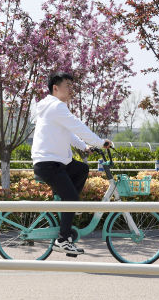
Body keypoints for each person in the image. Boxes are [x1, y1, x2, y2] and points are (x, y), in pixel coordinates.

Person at [31, 71, 113, 256]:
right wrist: (100, 142)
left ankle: (67, 207)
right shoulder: (56, 107)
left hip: (54, 161)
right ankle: (63, 239)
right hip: (49, 164)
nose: (70, 89)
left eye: (71, 86)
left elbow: (69, 133)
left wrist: (84, 147)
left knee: (82, 168)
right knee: (72, 200)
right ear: (55, 88)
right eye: (67, 86)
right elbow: (78, 126)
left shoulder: (51, 107)